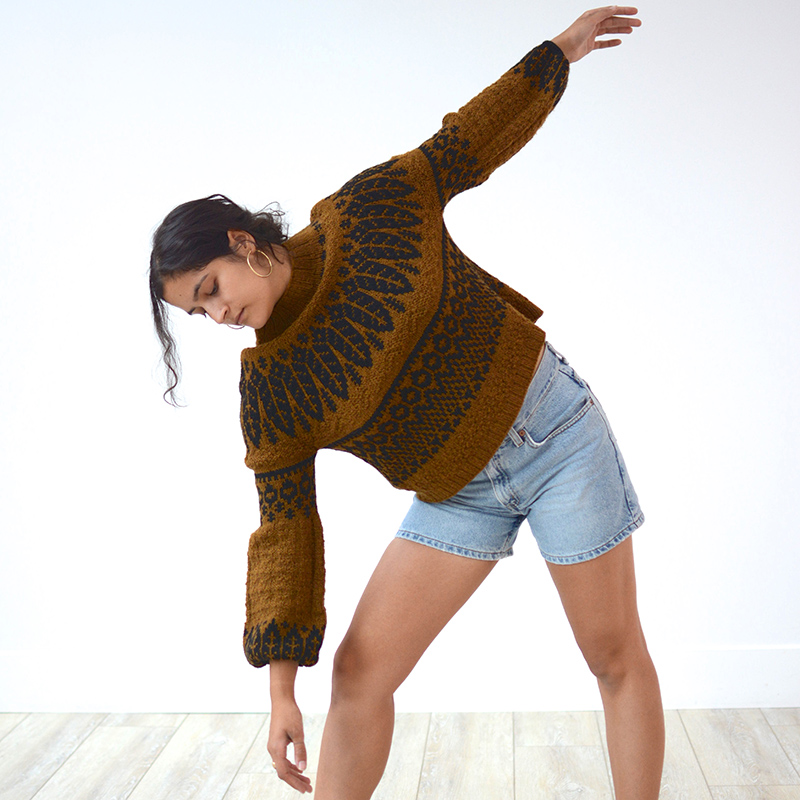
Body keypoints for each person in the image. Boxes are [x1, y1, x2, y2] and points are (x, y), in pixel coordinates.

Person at [149, 7, 663, 799]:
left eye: (211, 289)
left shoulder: (368, 212)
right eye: (197, 312)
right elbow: (285, 532)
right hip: (460, 493)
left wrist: (559, 52)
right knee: (359, 672)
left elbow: (468, 141)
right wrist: (281, 691)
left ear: (242, 242)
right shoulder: (269, 388)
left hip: (555, 436)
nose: (216, 316)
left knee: (611, 654)